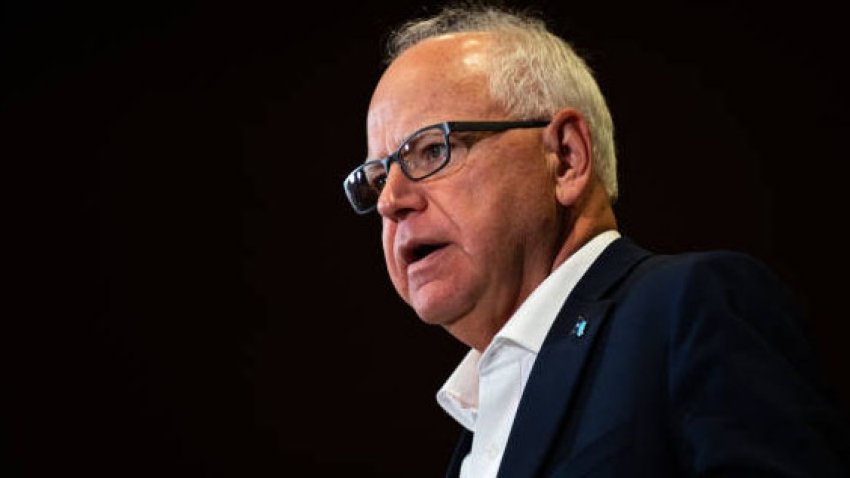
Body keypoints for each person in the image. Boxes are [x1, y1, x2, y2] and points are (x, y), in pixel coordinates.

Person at [342, 5, 850, 477]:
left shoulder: (689, 308)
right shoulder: (475, 433)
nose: (390, 201)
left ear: (565, 157)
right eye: (376, 177)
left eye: (431, 150)